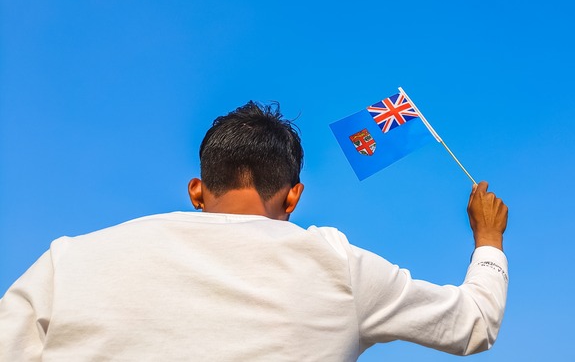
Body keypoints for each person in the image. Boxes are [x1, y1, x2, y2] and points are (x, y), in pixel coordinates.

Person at [0, 101, 509, 361]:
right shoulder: (338, 265)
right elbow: (474, 323)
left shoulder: (69, 262)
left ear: (197, 190)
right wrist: (488, 240)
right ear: (293, 196)